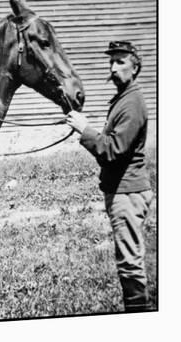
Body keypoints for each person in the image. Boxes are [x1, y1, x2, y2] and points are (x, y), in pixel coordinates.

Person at [66, 40, 154, 313]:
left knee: (130, 263)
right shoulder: (125, 99)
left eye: (120, 62)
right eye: (111, 62)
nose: (113, 68)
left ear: (135, 68)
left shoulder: (132, 104)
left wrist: (85, 130)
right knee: (128, 260)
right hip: (122, 190)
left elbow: (113, 150)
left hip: (127, 193)